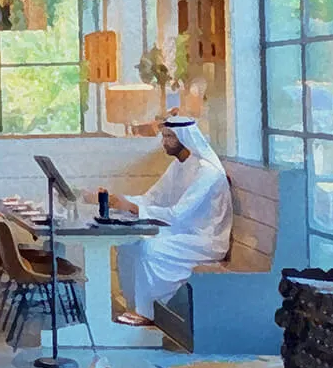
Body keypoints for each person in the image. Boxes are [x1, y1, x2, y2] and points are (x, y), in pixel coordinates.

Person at [85, 117, 232, 326]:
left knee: (148, 247)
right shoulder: (178, 166)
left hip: (205, 239)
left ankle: (149, 313)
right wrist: (117, 201)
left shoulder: (207, 172)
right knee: (129, 243)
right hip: (180, 232)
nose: (165, 142)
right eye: (164, 136)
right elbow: (151, 198)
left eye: (170, 137)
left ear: (185, 138)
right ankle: (133, 306)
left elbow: (178, 214)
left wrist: (132, 207)